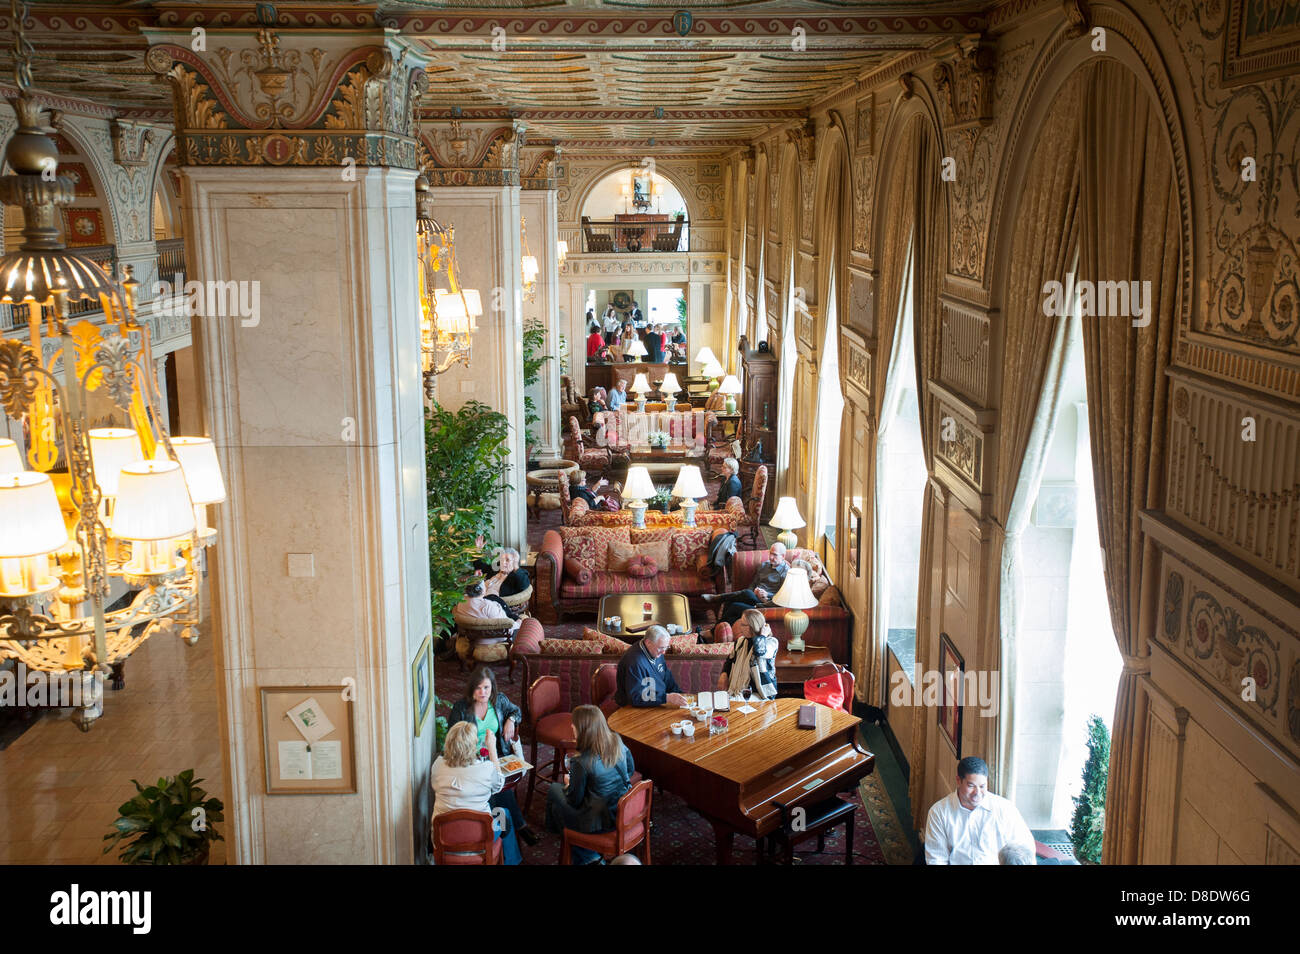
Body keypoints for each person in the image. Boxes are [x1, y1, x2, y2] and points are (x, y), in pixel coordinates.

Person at [446, 666, 539, 846]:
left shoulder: (498, 701)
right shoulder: (461, 708)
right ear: (472, 688)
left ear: (492, 688)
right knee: (497, 789)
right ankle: (509, 831)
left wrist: (511, 721)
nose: (483, 692)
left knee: (496, 788)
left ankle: (507, 831)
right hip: (470, 761)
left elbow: (516, 711)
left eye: (486, 688)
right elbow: (454, 737)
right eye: (478, 688)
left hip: (497, 755)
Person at [544, 705, 636, 864]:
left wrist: (568, 783)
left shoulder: (581, 761)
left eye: (574, 724)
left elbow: (574, 801)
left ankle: (574, 844)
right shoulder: (616, 741)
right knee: (558, 804)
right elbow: (630, 770)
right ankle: (579, 847)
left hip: (600, 822)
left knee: (553, 790)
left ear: (582, 730)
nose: (572, 726)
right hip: (623, 813)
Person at [431, 721, 523, 864]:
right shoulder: (485, 769)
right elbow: (499, 784)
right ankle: (512, 861)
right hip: (480, 839)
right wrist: (492, 748)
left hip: (444, 839)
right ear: (472, 747)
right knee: (504, 814)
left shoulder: (437, 765)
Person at [924, 756, 1035, 865]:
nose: (977, 793)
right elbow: (936, 859)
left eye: (982, 786)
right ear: (958, 780)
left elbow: (1024, 849)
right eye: (971, 786)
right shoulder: (939, 812)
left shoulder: (1005, 809)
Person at [701, 542, 791, 625]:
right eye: (770, 553)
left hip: (766, 603)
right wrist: (754, 591)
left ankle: (719, 598)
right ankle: (721, 628)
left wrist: (767, 595)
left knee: (738, 602)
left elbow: (783, 597)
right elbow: (753, 583)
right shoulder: (764, 565)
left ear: (783, 556)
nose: (771, 557)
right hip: (753, 597)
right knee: (733, 601)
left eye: (775, 555)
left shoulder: (786, 573)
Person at [614, 626, 687, 708]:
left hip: (658, 701)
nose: (664, 652)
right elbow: (635, 698)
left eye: (666, 647)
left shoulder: (656, 652)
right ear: (648, 642)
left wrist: (680, 694)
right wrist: (666, 698)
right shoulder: (634, 662)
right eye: (661, 648)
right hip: (633, 708)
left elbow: (666, 677)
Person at [715, 608, 778, 698]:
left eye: (743, 624)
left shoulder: (771, 642)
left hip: (761, 693)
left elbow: (759, 651)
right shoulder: (741, 641)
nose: (740, 627)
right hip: (740, 691)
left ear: (752, 626)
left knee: (732, 704)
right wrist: (724, 673)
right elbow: (730, 659)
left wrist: (762, 635)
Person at [455, 580, 521, 633]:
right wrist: (518, 623)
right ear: (482, 590)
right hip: (492, 639)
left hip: (471, 636)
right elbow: (507, 626)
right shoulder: (488, 606)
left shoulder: (461, 602)